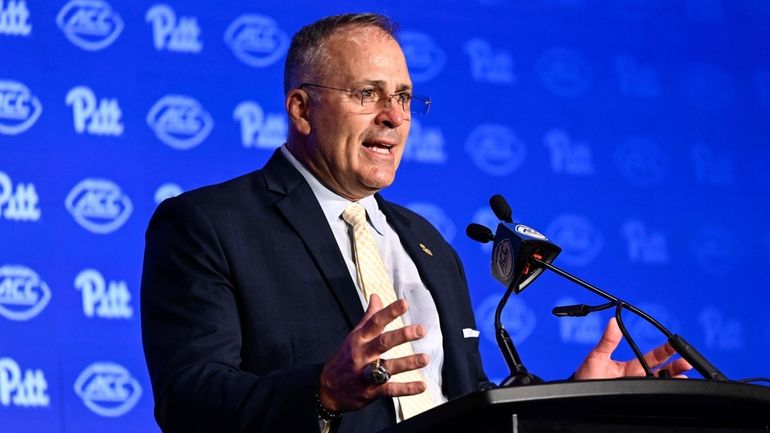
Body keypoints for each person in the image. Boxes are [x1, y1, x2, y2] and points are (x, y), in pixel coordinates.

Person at [140, 13, 691, 433]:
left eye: (403, 96)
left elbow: (465, 405)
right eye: (367, 94)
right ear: (302, 110)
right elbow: (189, 399)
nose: (395, 117)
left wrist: (576, 397)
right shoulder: (208, 224)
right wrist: (322, 392)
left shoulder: (425, 243)